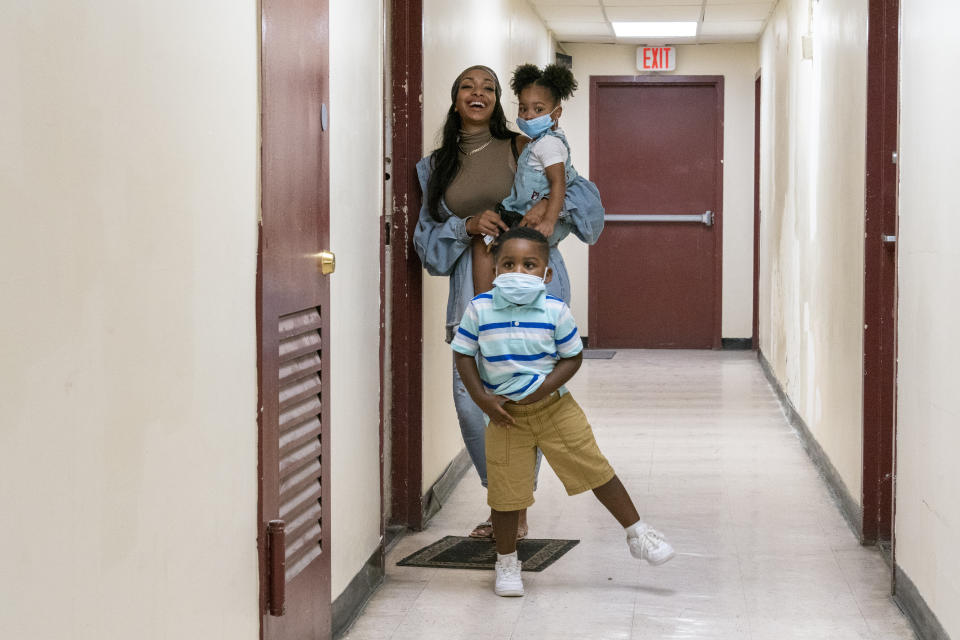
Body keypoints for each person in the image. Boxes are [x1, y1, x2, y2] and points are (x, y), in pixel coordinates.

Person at [413, 64, 604, 540]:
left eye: (489, 88)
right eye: (466, 86)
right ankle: (502, 494)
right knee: (472, 404)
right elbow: (428, 250)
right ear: (455, 97)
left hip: (537, 295)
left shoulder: (528, 147)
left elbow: (592, 223)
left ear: (499, 101)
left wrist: (553, 199)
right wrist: (466, 224)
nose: (477, 93)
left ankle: (512, 510)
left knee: (532, 400)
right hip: (470, 298)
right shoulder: (433, 167)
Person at [451, 228, 675, 597]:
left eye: (529, 264)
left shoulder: (555, 311)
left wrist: (543, 388)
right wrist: (481, 399)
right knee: (506, 495)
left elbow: (572, 357)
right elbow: (463, 354)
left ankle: (638, 533)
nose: (518, 272)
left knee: (596, 469)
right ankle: (507, 563)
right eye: (508, 264)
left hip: (556, 408)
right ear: (494, 269)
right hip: (505, 417)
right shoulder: (480, 308)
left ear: (546, 274)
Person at [469, 62, 588, 296]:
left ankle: (485, 305)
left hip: (537, 219)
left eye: (538, 109)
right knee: (484, 240)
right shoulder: (537, 143)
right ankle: (486, 303)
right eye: (523, 109)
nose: (528, 115)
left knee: (490, 244)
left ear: (557, 113)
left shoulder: (550, 144)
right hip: (521, 210)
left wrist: (549, 220)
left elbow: (559, 184)